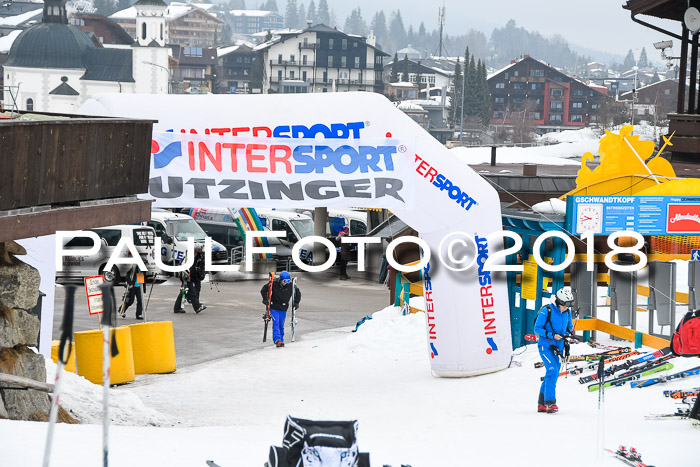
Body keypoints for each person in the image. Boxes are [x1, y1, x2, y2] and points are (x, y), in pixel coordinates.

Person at [534, 287, 574, 414]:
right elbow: (537, 328)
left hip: (559, 347)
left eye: (569, 305)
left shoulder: (567, 313)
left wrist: (567, 335)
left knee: (553, 373)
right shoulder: (547, 310)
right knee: (552, 370)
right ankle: (550, 403)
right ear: (558, 302)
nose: (566, 308)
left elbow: (569, 327)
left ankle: (541, 403)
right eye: (564, 305)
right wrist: (552, 335)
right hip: (545, 346)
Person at [260, 271, 301, 347]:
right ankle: (277, 340)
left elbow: (298, 294)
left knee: (281, 325)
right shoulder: (274, 284)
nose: (286, 283)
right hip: (274, 307)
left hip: (283, 308)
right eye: (284, 281)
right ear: (281, 280)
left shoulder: (291, 286)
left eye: (288, 281)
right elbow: (263, 290)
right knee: (276, 323)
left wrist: (296, 303)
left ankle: (281, 340)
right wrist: (265, 300)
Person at [174, 245, 207, 314]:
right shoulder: (190, 257)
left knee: (184, 292)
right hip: (186, 275)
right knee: (191, 291)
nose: (201, 251)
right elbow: (189, 268)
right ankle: (197, 307)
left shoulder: (192, 255)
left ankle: (177, 308)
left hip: (185, 274)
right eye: (200, 249)